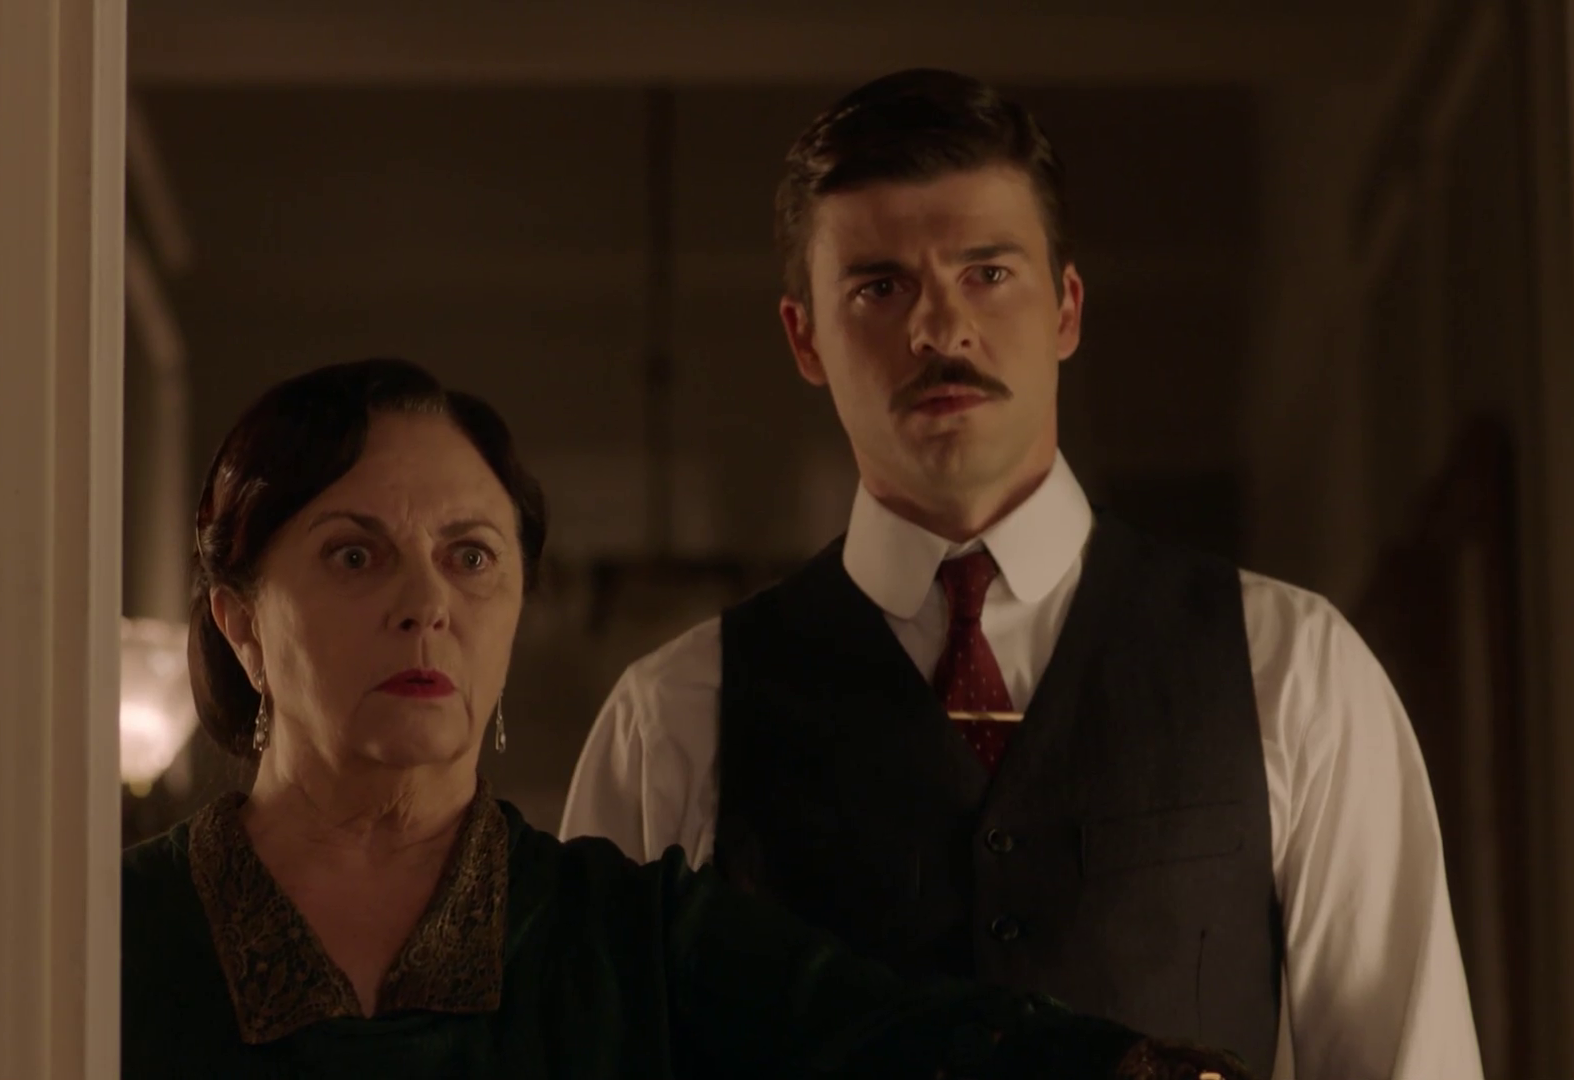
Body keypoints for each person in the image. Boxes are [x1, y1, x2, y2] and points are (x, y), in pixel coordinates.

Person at [559, 70, 1484, 1080]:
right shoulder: (672, 722)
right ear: (804, 337)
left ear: (1067, 309)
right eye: (879, 287)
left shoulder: (1294, 669)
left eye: (988, 273)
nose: (940, 329)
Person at [119, 357, 1258, 1080]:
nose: (427, 605)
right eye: (354, 556)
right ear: (241, 621)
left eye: (471, 557)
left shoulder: (629, 939)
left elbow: (904, 1039)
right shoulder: (108, 931)